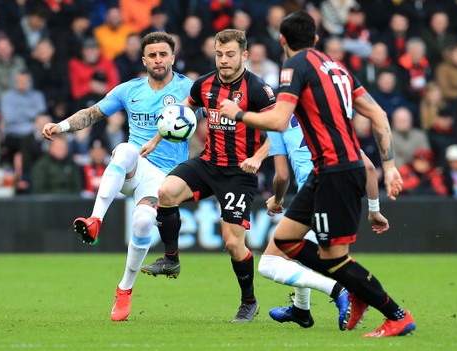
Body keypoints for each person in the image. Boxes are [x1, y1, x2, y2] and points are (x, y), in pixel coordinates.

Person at [220, 10, 415, 337]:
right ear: (316, 39)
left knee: (335, 258)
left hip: (335, 171)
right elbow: (379, 115)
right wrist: (390, 167)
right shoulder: (338, 68)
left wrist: (239, 113)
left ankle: (395, 313)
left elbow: (280, 120)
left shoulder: (294, 66)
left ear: (282, 41)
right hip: (329, 171)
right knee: (286, 240)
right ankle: (346, 292)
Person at [41, 32, 195, 322]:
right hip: (132, 168)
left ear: (173, 58)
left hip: (163, 179)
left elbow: (217, 110)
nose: (158, 60)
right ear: (144, 59)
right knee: (124, 149)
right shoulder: (129, 89)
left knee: (142, 222)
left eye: (164, 54)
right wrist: (59, 127)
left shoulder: (189, 89)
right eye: (153, 55)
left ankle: (124, 290)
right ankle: (95, 220)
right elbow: (92, 113)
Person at [140, 29, 277, 323]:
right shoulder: (204, 85)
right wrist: (156, 139)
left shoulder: (257, 90)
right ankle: (172, 260)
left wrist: (258, 157)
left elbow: (281, 129)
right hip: (207, 163)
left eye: (230, 55)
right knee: (166, 192)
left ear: (244, 56)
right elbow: (181, 112)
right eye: (219, 54)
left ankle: (249, 302)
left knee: (231, 242)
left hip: (239, 173)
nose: (224, 60)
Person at [259, 114, 390, 330]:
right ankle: (301, 310)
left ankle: (340, 290)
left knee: (269, 264)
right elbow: (368, 167)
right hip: (345, 200)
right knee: (299, 252)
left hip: (313, 197)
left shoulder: (276, 120)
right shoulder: (328, 116)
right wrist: (374, 210)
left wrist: (277, 199)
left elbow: (282, 176)